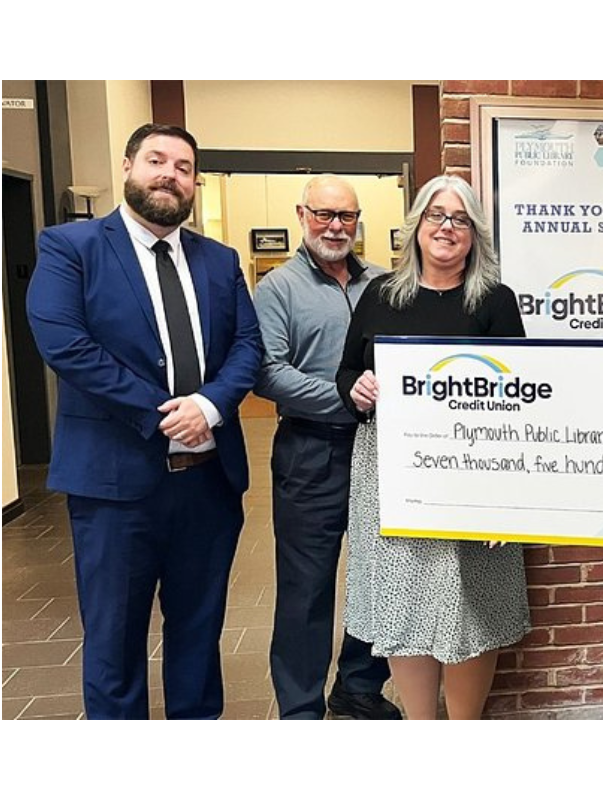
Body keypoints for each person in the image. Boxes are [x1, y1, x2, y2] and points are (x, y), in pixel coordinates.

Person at [26, 123, 261, 719]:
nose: (169, 175)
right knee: (114, 644)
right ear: (128, 166)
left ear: (195, 184)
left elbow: (248, 347)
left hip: (207, 482)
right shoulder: (70, 247)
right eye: (157, 161)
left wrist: (208, 406)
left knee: (198, 633)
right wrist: (162, 415)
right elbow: (66, 345)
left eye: (183, 168)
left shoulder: (220, 261)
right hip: (114, 490)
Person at [336, 175, 530, 720]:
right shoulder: (380, 295)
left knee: (473, 605)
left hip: (474, 475)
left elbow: (519, 397)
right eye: (436, 216)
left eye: (461, 219)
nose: (447, 228)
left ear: (475, 236)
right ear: (416, 226)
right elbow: (348, 370)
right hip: (393, 474)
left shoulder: (495, 301)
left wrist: (504, 497)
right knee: (406, 602)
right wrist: (356, 388)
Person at [253, 176, 400, 720]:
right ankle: (300, 708)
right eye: (324, 215)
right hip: (310, 452)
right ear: (302, 214)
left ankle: (359, 684)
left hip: (379, 452)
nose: (336, 227)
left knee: (377, 574)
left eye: (346, 217)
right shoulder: (277, 289)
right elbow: (267, 374)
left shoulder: (385, 285)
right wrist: (348, 397)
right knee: (306, 587)